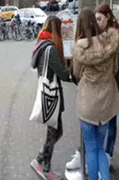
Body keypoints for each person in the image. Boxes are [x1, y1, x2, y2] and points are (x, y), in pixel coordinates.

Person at [66, 3, 119, 170]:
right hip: (108, 98)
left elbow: (118, 73)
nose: (97, 22)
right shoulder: (109, 42)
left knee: (93, 145)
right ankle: (95, 160)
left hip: (95, 100)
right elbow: (115, 69)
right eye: (95, 19)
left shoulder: (112, 41)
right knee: (98, 146)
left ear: (108, 17)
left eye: (100, 18)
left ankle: (98, 161)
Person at [30, 15, 76, 180]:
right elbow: (63, 74)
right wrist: (71, 68)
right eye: (61, 29)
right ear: (56, 29)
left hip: (47, 93)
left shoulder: (42, 44)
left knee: (56, 131)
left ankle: (40, 158)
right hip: (52, 96)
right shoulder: (50, 49)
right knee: (54, 132)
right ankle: (45, 167)